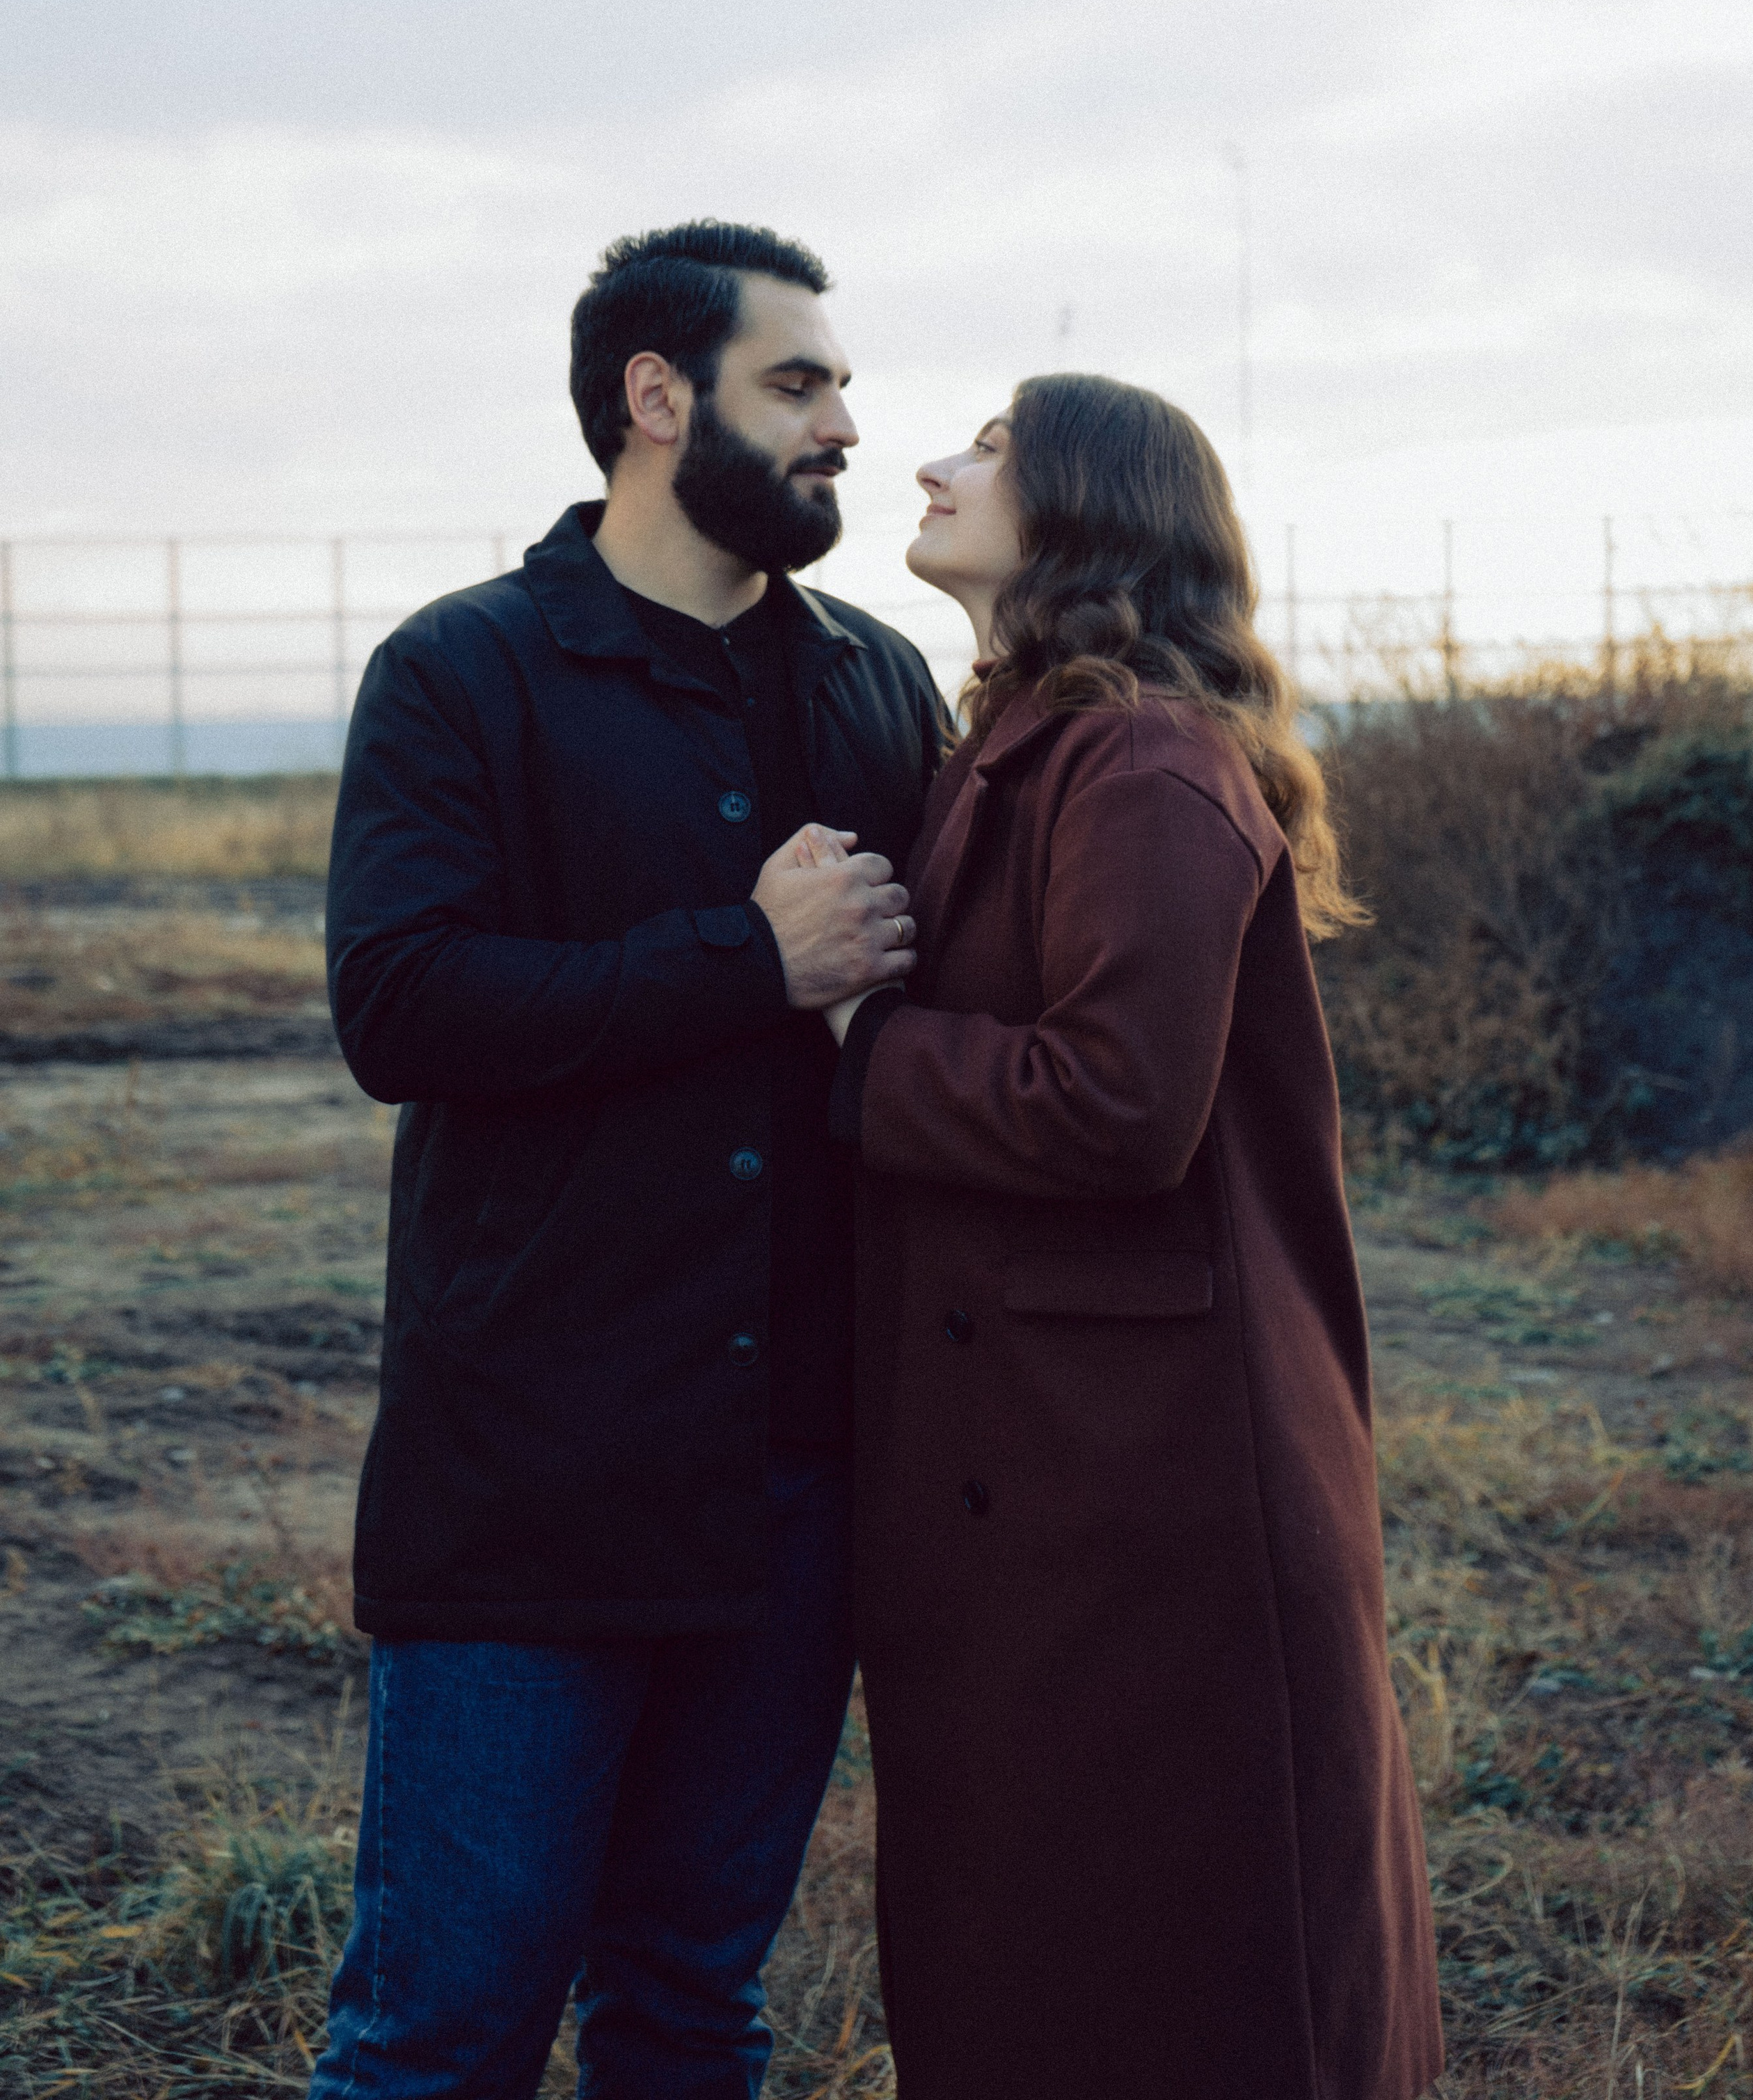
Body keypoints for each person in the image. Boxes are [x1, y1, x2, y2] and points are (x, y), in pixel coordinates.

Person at [310, 221, 947, 2100]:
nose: (845, 421)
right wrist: (749, 963)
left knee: (688, 1998)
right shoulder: (465, 676)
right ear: (655, 401)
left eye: (838, 383)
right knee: (449, 2025)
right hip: (535, 1472)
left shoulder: (880, 686)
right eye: (800, 382)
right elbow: (402, 1009)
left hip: (800, 1477)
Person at [810, 374, 1445, 2100]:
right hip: (1062, 1493)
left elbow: (1113, 1104)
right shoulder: (1027, 744)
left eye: (991, 448)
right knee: (1059, 1965)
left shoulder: (1144, 757)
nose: (931, 465)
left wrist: (856, 1050)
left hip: (1162, 1509)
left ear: (1090, 508)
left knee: (1190, 1983)